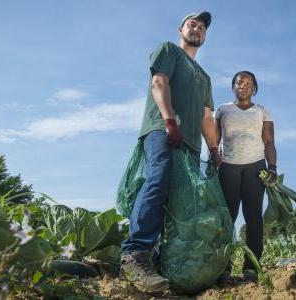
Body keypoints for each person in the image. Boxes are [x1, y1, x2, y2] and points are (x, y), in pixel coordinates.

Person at [119, 12, 219, 293]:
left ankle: (163, 262)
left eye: (202, 27)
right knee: (158, 180)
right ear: (181, 28)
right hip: (162, 132)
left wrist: (214, 149)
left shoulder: (204, 77)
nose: (197, 28)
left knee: (181, 203)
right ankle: (135, 254)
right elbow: (158, 83)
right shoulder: (168, 50)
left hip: (190, 146)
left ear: (205, 35)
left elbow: (206, 117)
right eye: (192, 24)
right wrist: (169, 121)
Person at [214, 71, 278, 282]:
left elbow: (268, 141)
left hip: (255, 167)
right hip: (229, 168)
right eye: (239, 82)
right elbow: (215, 140)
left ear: (254, 88)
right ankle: (223, 268)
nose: (243, 85)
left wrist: (273, 167)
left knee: (253, 219)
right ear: (233, 86)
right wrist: (213, 160)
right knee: (227, 219)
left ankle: (251, 268)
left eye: (248, 83)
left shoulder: (262, 111)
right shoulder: (222, 110)